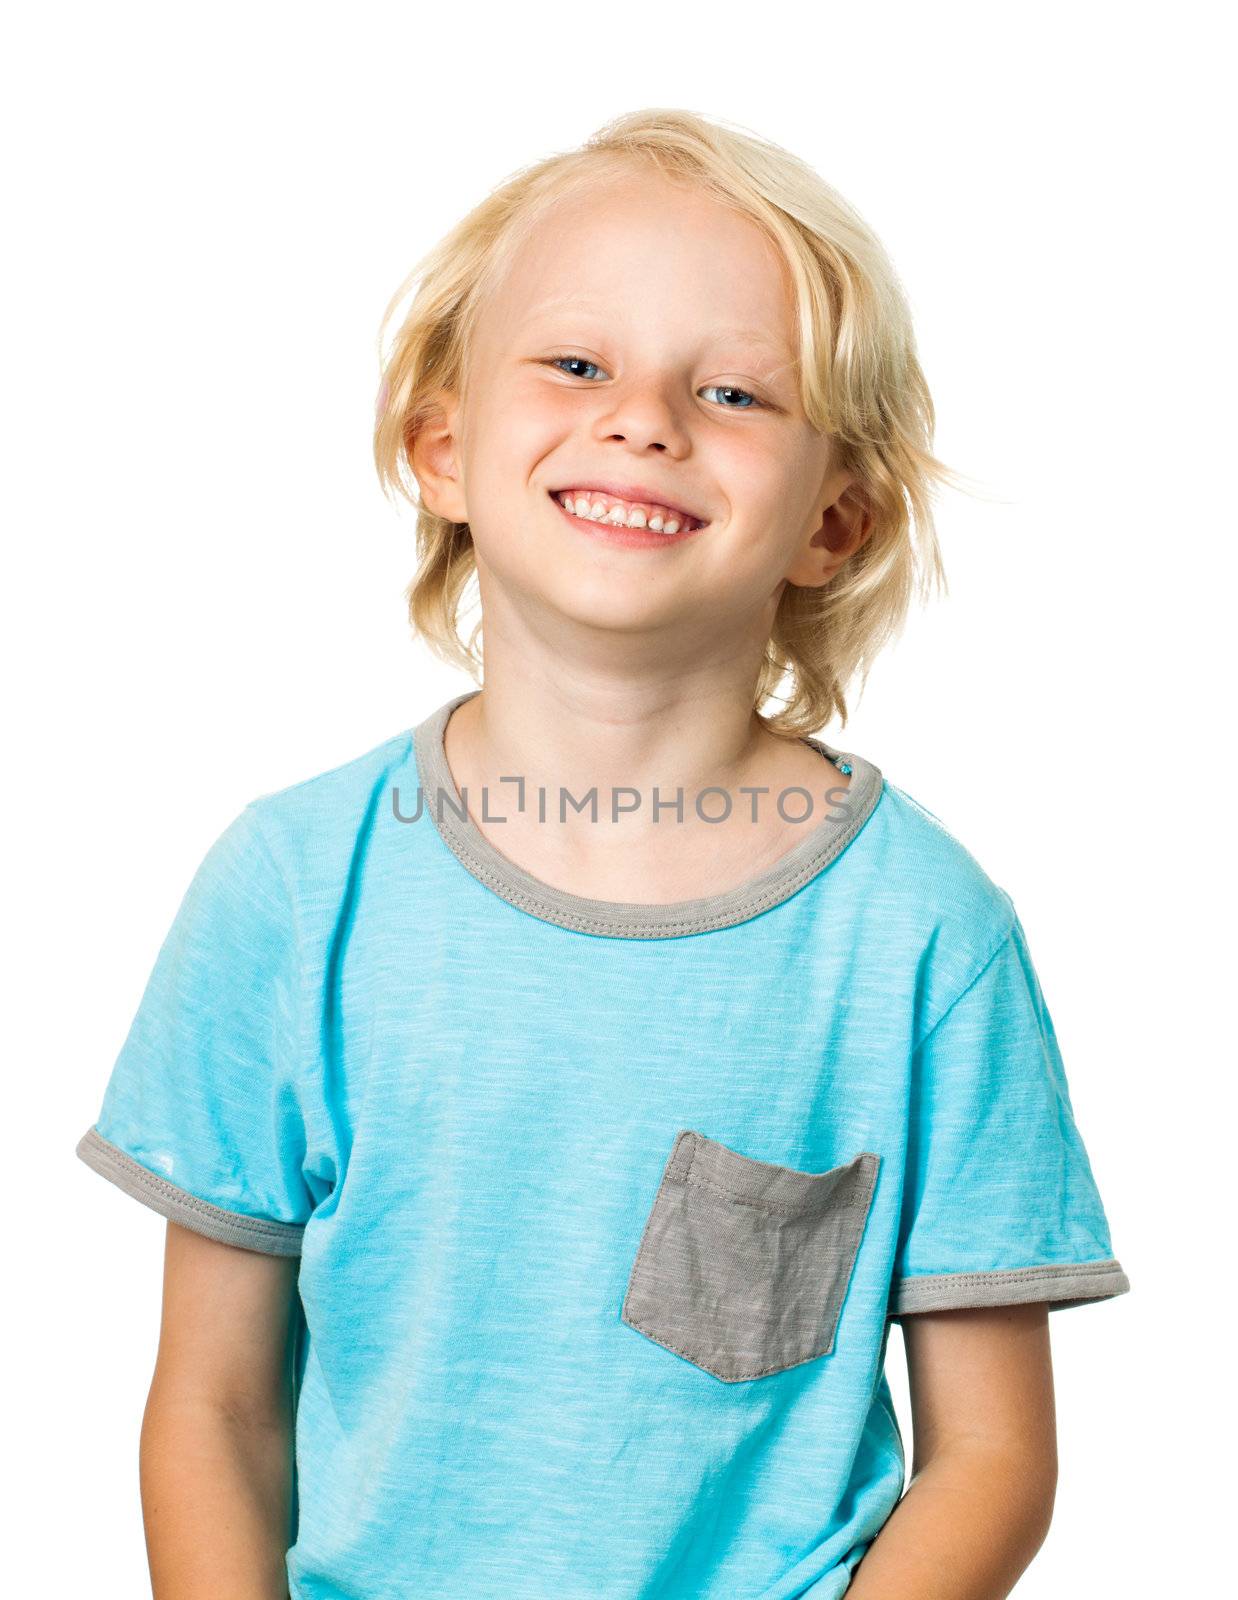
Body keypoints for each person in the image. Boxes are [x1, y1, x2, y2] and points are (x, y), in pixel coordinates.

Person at [75, 106, 1130, 1599]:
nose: (643, 418)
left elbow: (994, 1456)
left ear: (832, 519)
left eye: (734, 390)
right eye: (576, 364)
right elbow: (214, 1410)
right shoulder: (293, 888)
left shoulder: (919, 936)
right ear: (441, 446)